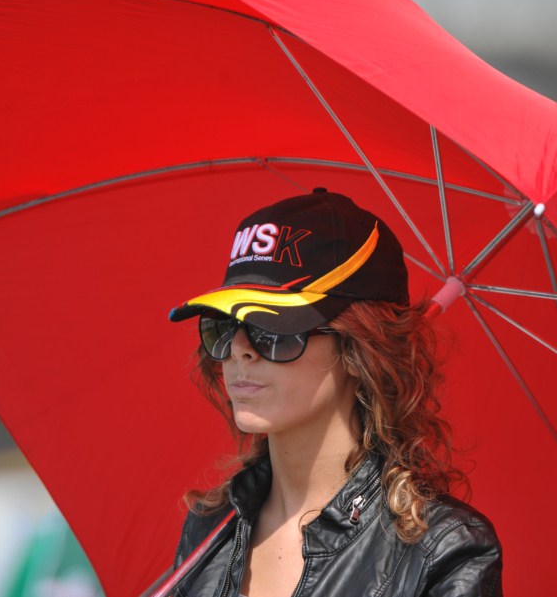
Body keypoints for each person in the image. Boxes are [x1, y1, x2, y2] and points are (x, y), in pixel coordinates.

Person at [167, 188, 502, 596]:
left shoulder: (444, 553)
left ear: (359, 349)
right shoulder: (208, 530)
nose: (239, 349)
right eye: (223, 325)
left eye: (272, 328)